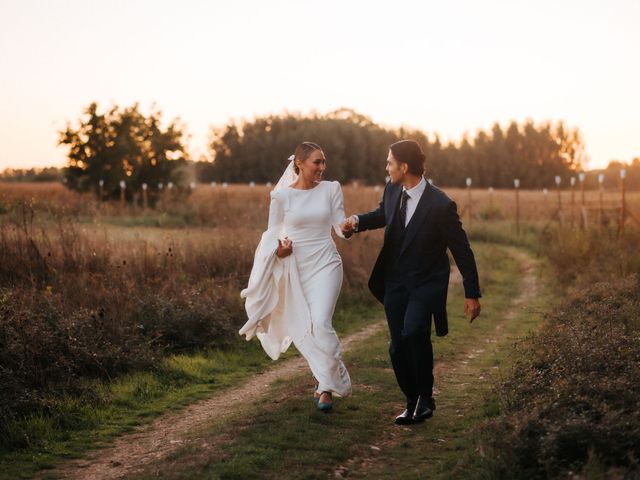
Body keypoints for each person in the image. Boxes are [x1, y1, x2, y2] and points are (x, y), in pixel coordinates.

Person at [341, 139, 481, 425]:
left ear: (404, 166)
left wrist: (472, 293)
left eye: (390, 162)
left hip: (426, 283)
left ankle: (426, 398)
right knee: (397, 347)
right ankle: (412, 399)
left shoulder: (441, 204)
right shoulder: (393, 190)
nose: (386, 167)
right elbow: (383, 214)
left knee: (415, 333)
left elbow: (462, 250)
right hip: (395, 282)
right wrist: (357, 221)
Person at [239, 141, 351, 412]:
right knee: (304, 327)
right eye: (317, 162)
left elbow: (339, 226)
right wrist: (279, 251)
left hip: (326, 263)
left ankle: (332, 376)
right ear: (299, 164)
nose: (322, 168)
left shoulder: (331, 189)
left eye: (324, 162)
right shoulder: (281, 197)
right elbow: (271, 237)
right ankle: (325, 385)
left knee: (321, 322)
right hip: (296, 268)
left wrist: (347, 228)